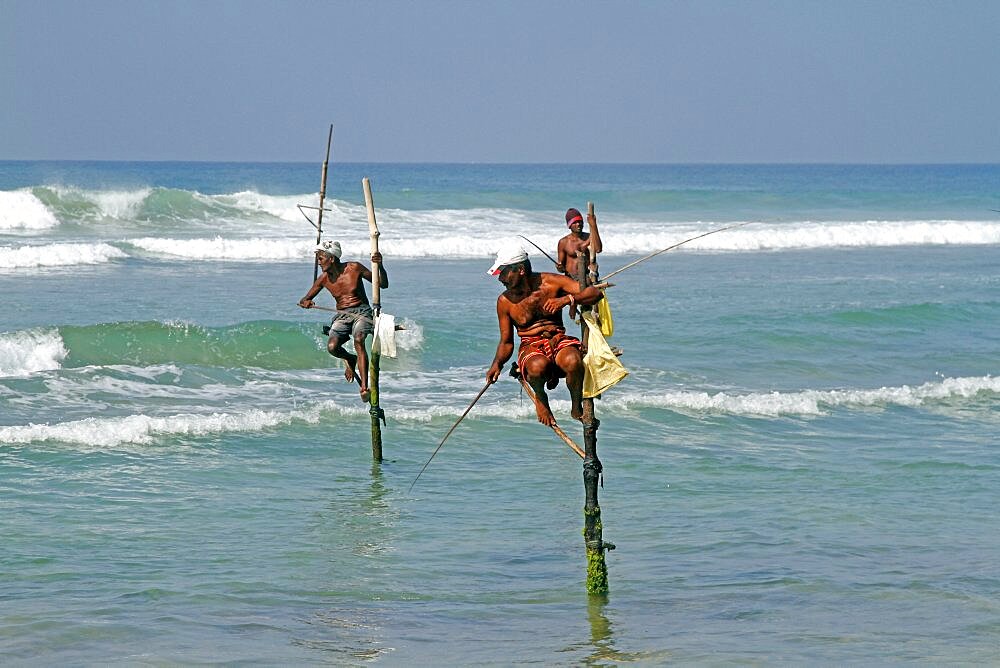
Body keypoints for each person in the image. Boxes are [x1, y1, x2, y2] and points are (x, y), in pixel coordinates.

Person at [486, 241, 604, 426]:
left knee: (573, 360)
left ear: (521, 270)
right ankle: (541, 399)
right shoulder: (504, 301)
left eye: (504, 273)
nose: (501, 279)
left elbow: (594, 293)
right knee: (537, 366)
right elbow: (507, 342)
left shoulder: (552, 283)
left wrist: (567, 299)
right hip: (530, 346)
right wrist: (497, 364)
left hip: (557, 339)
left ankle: (576, 405)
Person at [298, 240, 388, 402]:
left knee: (359, 339)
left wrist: (380, 266)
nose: (318, 262)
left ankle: (364, 387)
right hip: (341, 315)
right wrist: (306, 302)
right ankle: (350, 359)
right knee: (332, 347)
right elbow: (305, 299)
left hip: (362, 312)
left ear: (331, 258)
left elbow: (383, 284)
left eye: (321, 258)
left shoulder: (354, 268)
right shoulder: (324, 278)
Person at [556, 207, 602, 282]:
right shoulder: (563, 242)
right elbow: (561, 269)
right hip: (570, 279)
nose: (578, 224)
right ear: (569, 225)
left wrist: (593, 225)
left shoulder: (590, 237)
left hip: (588, 277)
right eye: (575, 222)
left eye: (580, 221)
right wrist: (559, 267)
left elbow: (598, 249)